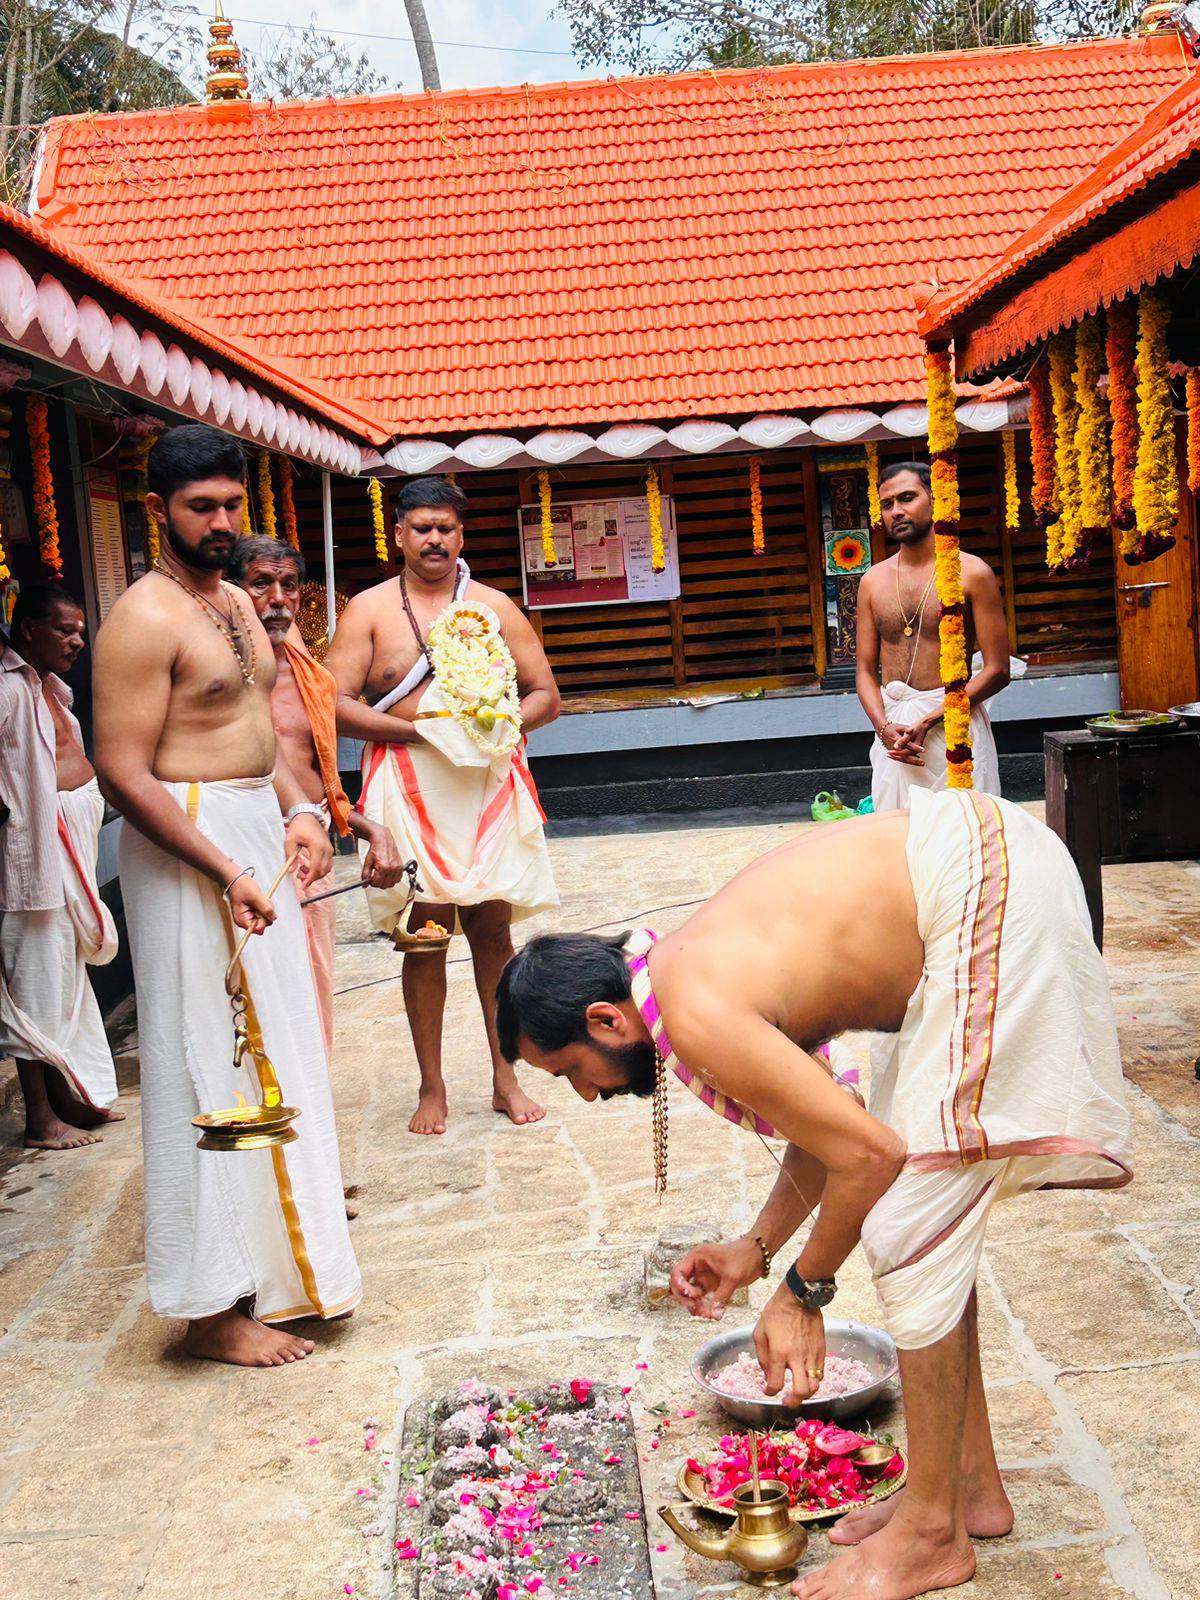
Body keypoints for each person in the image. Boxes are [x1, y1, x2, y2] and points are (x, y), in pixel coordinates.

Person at [495, 789, 1132, 1600]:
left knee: (908, 1222)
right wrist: (754, 1251)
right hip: (987, 868)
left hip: (990, 887)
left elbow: (870, 1156)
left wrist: (803, 1293)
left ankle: (933, 1534)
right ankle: (966, 1486)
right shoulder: (679, 973)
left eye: (571, 1072)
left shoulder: (691, 1010)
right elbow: (832, 1128)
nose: (586, 1096)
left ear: (606, 1021)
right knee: (920, 1208)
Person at [93, 424, 361, 1369]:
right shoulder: (142, 618)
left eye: (231, 507)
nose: (219, 523)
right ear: (157, 507)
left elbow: (263, 733)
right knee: (205, 1062)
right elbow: (123, 772)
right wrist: (225, 868)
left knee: (278, 1050)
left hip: (255, 833)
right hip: (188, 849)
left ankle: (287, 1274)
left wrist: (302, 813)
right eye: (200, 507)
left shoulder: (242, 600)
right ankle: (210, 1312)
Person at [325, 475, 560, 1137]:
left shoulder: (493, 606)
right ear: (398, 534)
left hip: (484, 782)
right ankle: (432, 1085)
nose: (434, 539)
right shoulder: (370, 609)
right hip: (408, 780)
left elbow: (545, 693)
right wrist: (419, 732)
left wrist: (495, 726)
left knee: (493, 935)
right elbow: (333, 704)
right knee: (423, 938)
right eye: (422, 527)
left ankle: (504, 1074)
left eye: (446, 528)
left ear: (461, 535)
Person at [229, 535, 405, 1059]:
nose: (277, 599)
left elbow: (321, 784)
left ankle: (306, 1120)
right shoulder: (216, 672)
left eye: (289, 586)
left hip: (311, 859)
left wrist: (373, 830)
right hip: (243, 854)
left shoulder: (311, 675)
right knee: (253, 995)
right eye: (261, 584)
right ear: (234, 593)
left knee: (310, 992)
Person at [0, 582, 123, 1150]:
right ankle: (40, 1119)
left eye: (80, 630)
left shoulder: (50, 687)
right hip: (33, 862)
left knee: (68, 975)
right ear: (28, 629)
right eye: (64, 630)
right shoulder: (5, 689)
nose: (78, 640)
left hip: (74, 845)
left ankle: (75, 1098)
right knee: (37, 983)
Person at [856, 463, 1009, 811]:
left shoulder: (972, 573)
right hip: (895, 737)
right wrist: (884, 728)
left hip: (953, 726)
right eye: (887, 504)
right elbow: (865, 671)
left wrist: (929, 719)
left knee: (965, 836)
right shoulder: (873, 581)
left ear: (936, 499)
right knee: (897, 839)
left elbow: (998, 670)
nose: (896, 511)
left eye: (907, 498)